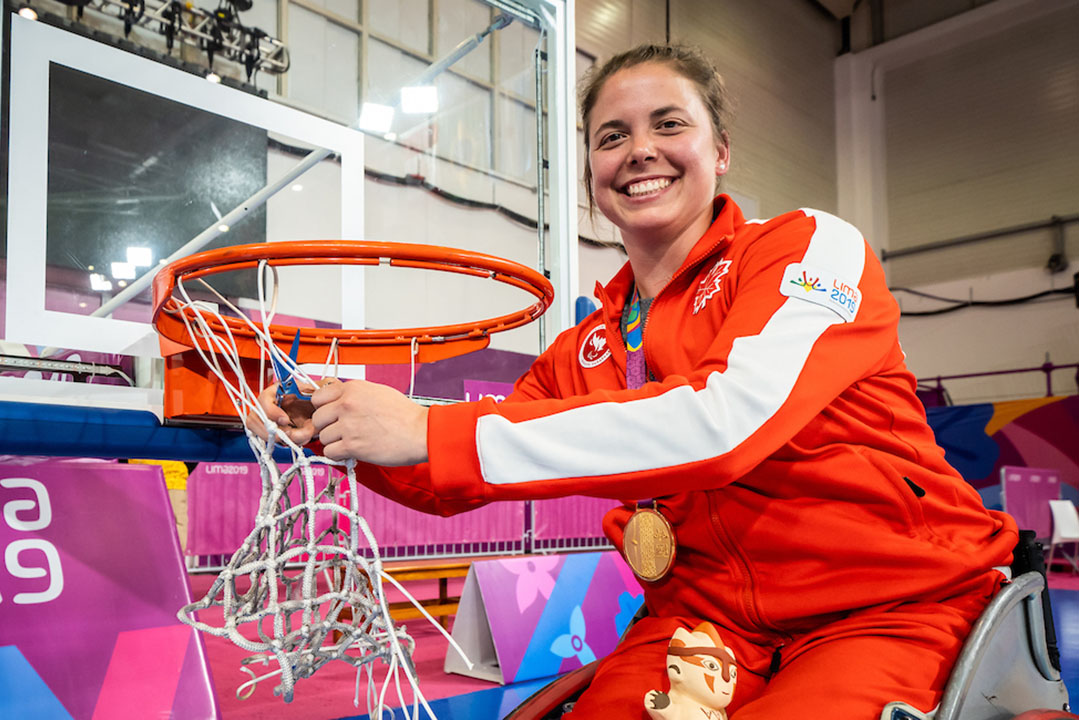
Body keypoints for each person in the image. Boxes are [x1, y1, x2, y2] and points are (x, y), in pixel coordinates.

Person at [252, 44, 1017, 720]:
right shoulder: (582, 347)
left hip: (888, 606)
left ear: (719, 149)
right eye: (611, 137)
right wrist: (330, 428)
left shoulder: (808, 249)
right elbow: (455, 476)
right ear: (591, 172)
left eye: (667, 124)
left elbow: (728, 422)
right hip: (703, 623)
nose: (638, 150)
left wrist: (427, 426)